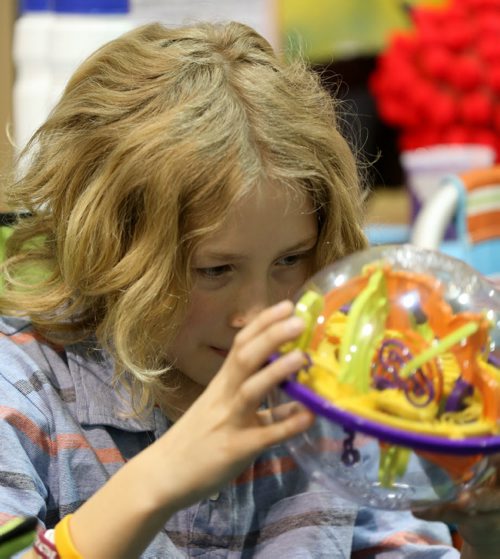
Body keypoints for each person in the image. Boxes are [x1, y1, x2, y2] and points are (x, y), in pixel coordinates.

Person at [0, 20, 495, 559]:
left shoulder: (336, 401)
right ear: (109, 248)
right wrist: (160, 479)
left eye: (290, 260)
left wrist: (487, 534)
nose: (260, 313)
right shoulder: (23, 392)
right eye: (215, 270)